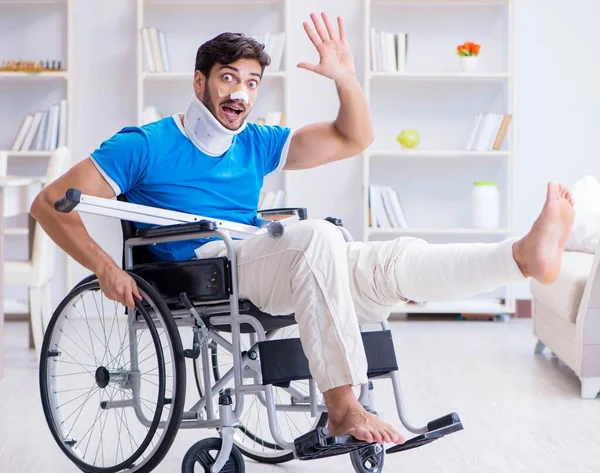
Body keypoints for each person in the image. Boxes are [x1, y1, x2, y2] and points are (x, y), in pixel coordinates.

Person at [31, 12, 575, 446]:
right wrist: (103, 266)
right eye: (228, 78)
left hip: (263, 260)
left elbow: (352, 138)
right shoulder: (144, 144)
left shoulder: (258, 142)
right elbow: (49, 202)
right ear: (199, 81)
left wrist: (345, 79)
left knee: (384, 261)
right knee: (318, 238)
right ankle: (342, 406)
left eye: (251, 82)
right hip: (205, 270)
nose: (240, 93)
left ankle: (520, 257)